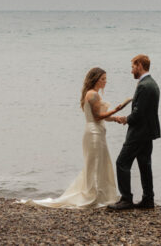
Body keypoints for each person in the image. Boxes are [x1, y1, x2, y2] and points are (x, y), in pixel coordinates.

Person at [29, 67, 130, 208]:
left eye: (106, 79)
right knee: (94, 165)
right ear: (95, 79)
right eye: (103, 79)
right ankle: (93, 195)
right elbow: (97, 117)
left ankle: (100, 194)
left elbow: (102, 117)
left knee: (100, 164)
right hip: (94, 134)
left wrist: (116, 118)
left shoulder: (94, 94)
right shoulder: (92, 95)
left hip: (98, 132)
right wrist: (117, 109)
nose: (105, 82)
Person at [108, 54, 160, 210]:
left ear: (139, 65)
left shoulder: (144, 85)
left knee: (122, 162)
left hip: (138, 132)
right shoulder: (153, 84)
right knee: (144, 164)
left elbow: (139, 113)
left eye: (132, 67)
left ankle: (126, 199)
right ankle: (148, 199)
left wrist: (125, 119)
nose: (131, 71)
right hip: (148, 131)